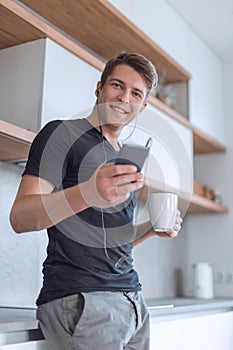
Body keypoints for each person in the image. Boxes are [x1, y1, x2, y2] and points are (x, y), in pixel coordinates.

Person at [10, 52, 182, 350]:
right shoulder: (62, 134)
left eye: (136, 93)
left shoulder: (123, 158)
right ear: (99, 87)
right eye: (117, 85)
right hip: (85, 302)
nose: (123, 97)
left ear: (142, 106)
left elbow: (109, 239)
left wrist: (151, 229)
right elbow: (21, 217)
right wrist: (89, 191)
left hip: (133, 302)